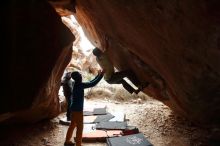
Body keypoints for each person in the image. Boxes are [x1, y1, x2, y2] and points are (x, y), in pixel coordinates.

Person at [64, 70, 104, 146]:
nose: (81, 75)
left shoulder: (75, 83)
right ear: (79, 77)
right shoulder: (80, 85)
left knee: (72, 125)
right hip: (78, 110)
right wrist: (101, 75)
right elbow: (92, 83)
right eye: (80, 74)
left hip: (73, 109)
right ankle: (78, 144)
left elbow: (90, 82)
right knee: (80, 127)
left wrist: (98, 75)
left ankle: (67, 141)